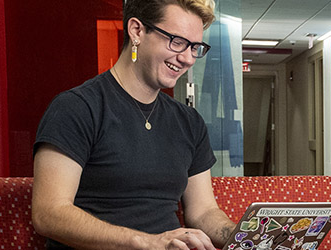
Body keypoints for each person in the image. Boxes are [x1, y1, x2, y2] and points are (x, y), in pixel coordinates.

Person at [31, 0, 235, 249]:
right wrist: (147, 242)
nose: (188, 59)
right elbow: (48, 213)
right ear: (137, 31)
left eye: (195, 47)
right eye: (177, 42)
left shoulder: (189, 122)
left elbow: (203, 211)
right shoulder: (77, 107)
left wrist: (246, 238)